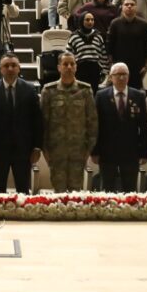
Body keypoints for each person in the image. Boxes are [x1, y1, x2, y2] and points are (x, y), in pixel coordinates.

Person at [0, 54, 43, 194]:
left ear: (19, 68)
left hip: (23, 150)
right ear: (0, 69)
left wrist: (37, 147)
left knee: (23, 190)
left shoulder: (30, 90)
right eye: (6, 65)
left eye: (13, 65)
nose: (10, 68)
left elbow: (37, 121)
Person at [40, 53, 97, 192]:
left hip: (78, 152)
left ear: (76, 67)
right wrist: (45, 150)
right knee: (59, 194)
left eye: (72, 64)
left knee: (75, 195)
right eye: (65, 64)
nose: (69, 67)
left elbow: (92, 122)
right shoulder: (49, 91)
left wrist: (88, 150)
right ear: (59, 67)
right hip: (56, 152)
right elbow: (42, 123)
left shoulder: (85, 90)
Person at [92, 63, 147, 192]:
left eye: (124, 74)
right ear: (111, 77)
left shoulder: (139, 96)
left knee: (130, 190)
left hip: (131, 152)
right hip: (107, 152)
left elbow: (144, 126)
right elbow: (96, 125)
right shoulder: (101, 96)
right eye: (118, 74)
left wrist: (144, 152)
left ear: (128, 77)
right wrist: (95, 151)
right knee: (106, 189)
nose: (122, 77)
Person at [107, 0, 147, 91]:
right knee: (118, 91)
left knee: (135, 91)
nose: (129, 6)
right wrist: (111, 63)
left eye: (132, 4)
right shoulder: (115, 24)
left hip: (137, 66)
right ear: (122, 7)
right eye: (126, 4)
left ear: (136, 7)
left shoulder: (144, 24)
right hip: (119, 64)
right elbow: (110, 44)